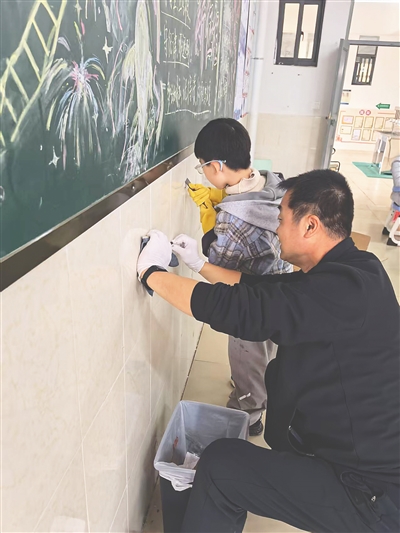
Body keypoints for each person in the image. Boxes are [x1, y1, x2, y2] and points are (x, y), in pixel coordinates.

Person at [137, 169, 400, 532]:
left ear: (310, 226)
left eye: (281, 219)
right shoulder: (354, 270)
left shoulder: (342, 293)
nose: (276, 229)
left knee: (221, 467)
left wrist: (151, 273)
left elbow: (242, 310)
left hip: (370, 495)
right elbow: (264, 290)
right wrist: (200, 265)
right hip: (355, 460)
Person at [185, 117, 292, 436]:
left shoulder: (231, 221)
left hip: (251, 301)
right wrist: (224, 200)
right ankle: (258, 389)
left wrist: (211, 224)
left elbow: (220, 266)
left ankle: (249, 412)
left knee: (247, 356)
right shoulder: (276, 184)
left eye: (202, 166)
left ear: (217, 166)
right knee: (267, 351)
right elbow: (254, 208)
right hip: (283, 286)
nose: (203, 172)